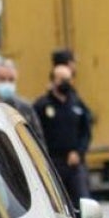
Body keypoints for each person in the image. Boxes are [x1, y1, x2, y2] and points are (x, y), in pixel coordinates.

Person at [33, 64, 91, 205]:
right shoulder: (42, 106)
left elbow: (86, 132)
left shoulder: (77, 104)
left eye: (68, 79)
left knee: (82, 202)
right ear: (53, 81)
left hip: (74, 163)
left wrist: (79, 152)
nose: (65, 83)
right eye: (61, 79)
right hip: (52, 163)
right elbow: (35, 133)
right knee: (56, 203)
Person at [0, 56, 45, 143]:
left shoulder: (25, 108)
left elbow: (38, 142)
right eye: (2, 79)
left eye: (11, 80)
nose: (7, 83)